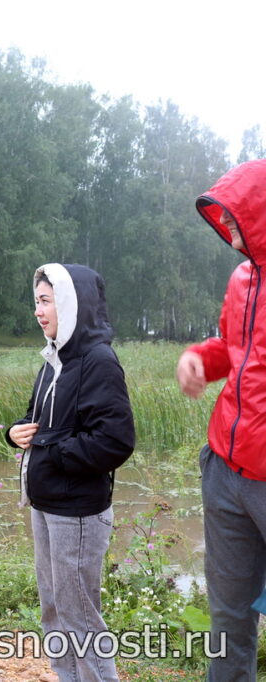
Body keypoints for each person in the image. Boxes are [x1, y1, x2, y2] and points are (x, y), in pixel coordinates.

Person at [6, 263, 134, 682]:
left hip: (77, 512)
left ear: (71, 303)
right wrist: (15, 433)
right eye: (36, 302)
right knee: (53, 609)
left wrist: (49, 448)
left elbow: (115, 441)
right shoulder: (54, 359)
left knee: (80, 616)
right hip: (44, 502)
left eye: (46, 302)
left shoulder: (99, 361)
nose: (38, 312)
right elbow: (36, 421)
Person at [176, 158, 266, 681]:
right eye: (224, 223)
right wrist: (200, 361)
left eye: (237, 221)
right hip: (226, 472)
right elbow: (233, 349)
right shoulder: (241, 279)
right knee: (228, 619)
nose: (229, 233)